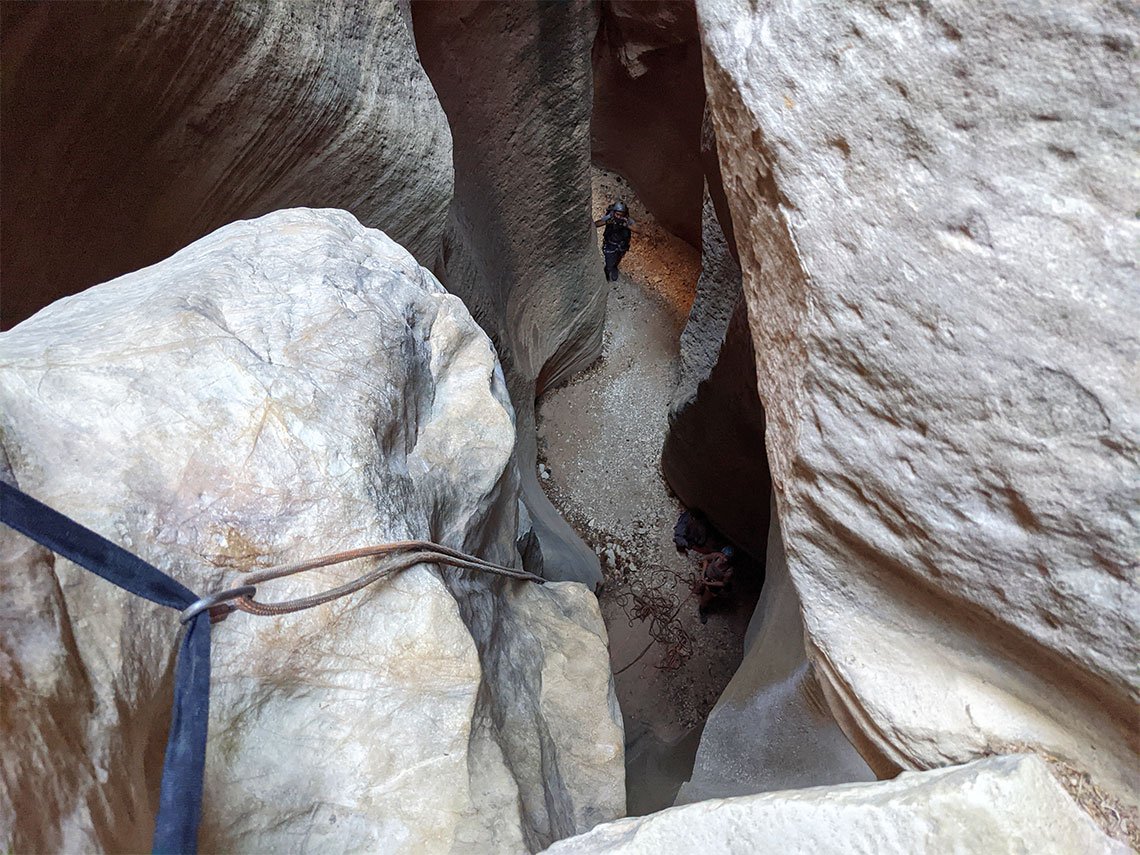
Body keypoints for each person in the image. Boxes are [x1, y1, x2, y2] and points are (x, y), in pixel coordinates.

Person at [594, 201, 635, 281]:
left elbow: (638, 229)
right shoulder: (610, 217)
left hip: (622, 245)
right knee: (609, 260)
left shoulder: (627, 221)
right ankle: (607, 270)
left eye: (621, 215)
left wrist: (626, 225)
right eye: (617, 214)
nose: (619, 217)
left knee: (618, 258)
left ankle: (614, 267)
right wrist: (608, 220)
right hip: (610, 244)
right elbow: (598, 223)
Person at [693, 545, 735, 623]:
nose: (723, 558)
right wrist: (703, 573)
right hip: (706, 575)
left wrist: (709, 583)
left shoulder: (728, 571)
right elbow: (705, 559)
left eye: (726, 558)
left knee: (705, 600)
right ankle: (701, 589)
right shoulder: (716, 556)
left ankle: (703, 611)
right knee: (696, 590)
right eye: (722, 555)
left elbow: (723, 583)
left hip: (713, 583)